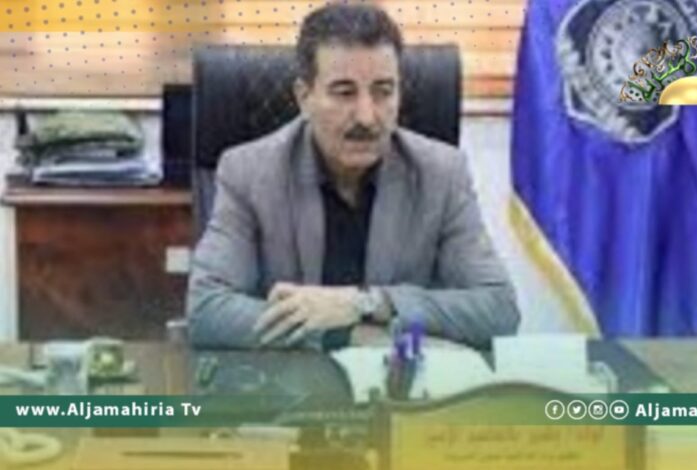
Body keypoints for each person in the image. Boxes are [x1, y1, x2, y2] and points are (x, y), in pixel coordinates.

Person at [187, 3, 519, 350]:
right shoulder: (248, 173)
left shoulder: (441, 174)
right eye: (344, 93)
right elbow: (207, 310)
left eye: (383, 91)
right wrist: (344, 334)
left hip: (398, 382)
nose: (366, 117)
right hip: (289, 379)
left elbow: (498, 309)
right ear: (304, 97)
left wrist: (364, 303)